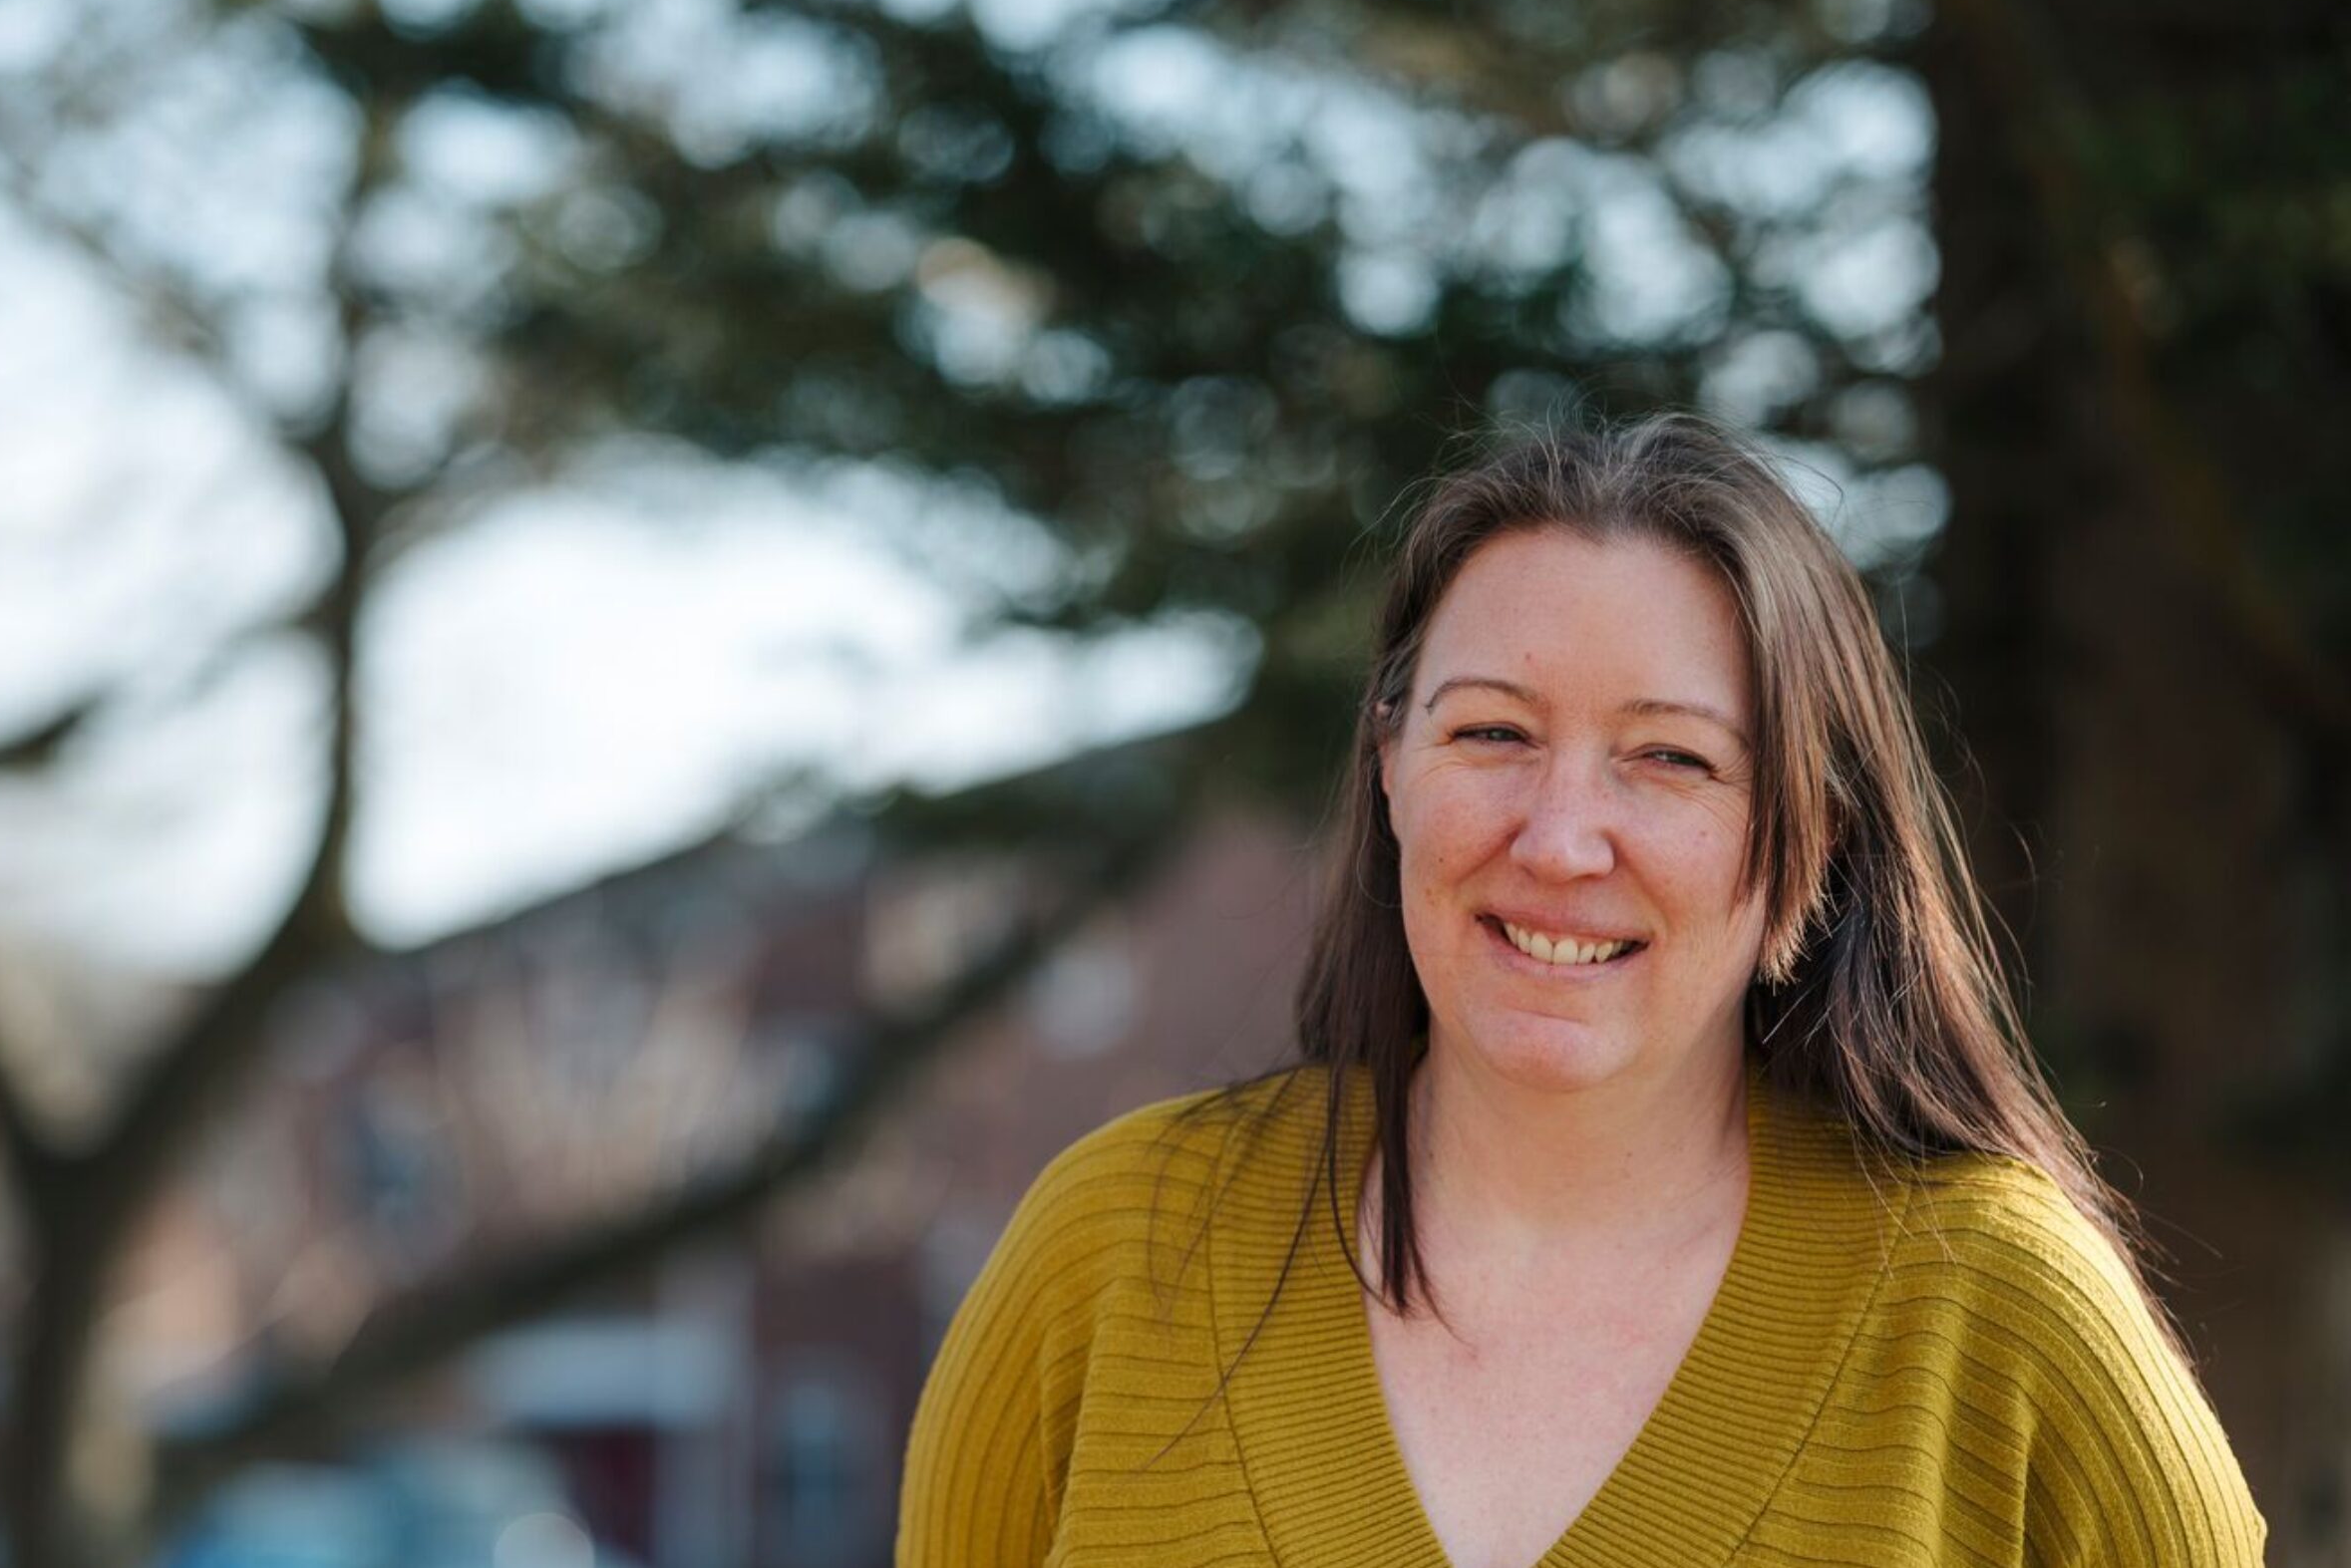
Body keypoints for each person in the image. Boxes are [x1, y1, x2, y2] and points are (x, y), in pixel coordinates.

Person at [896, 415, 2267, 1567]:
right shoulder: (1108, 1257)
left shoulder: (2000, 1311)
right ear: (1390, 764)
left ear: (1817, 833)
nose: (1558, 841)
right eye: (1491, 732)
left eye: (1670, 760)